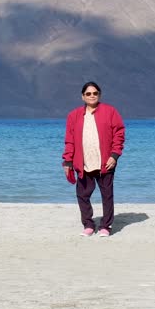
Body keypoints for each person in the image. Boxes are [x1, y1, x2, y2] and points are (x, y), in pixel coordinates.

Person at [62, 81, 125, 237]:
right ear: (82, 96)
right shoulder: (73, 115)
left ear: (99, 95)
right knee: (82, 195)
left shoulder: (110, 112)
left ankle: (106, 226)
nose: (92, 96)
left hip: (105, 162)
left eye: (95, 93)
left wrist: (114, 155)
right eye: (88, 93)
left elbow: (119, 133)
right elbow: (69, 139)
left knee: (107, 195)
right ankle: (88, 224)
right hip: (83, 162)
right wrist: (68, 161)